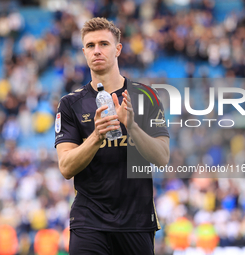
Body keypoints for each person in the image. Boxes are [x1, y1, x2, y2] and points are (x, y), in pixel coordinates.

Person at [55, 17, 170, 255]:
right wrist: (97, 136)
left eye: (104, 44)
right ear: (84, 52)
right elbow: (66, 167)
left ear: (118, 49)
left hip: (136, 222)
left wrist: (133, 127)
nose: (97, 50)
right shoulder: (70, 104)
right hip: (89, 221)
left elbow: (162, 158)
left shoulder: (146, 96)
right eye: (90, 45)